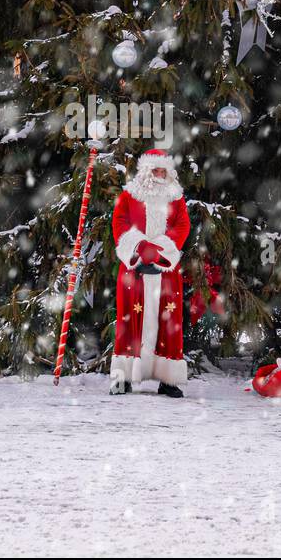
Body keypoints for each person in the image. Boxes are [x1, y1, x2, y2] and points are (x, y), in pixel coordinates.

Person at [110, 149, 190, 397]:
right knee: (128, 323)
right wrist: (139, 246)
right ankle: (123, 378)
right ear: (146, 171)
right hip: (134, 269)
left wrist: (160, 250)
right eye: (155, 170)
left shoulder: (176, 198)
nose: (158, 175)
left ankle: (168, 380)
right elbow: (119, 222)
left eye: (163, 170)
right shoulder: (129, 195)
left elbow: (183, 225)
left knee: (169, 323)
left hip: (165, 270)